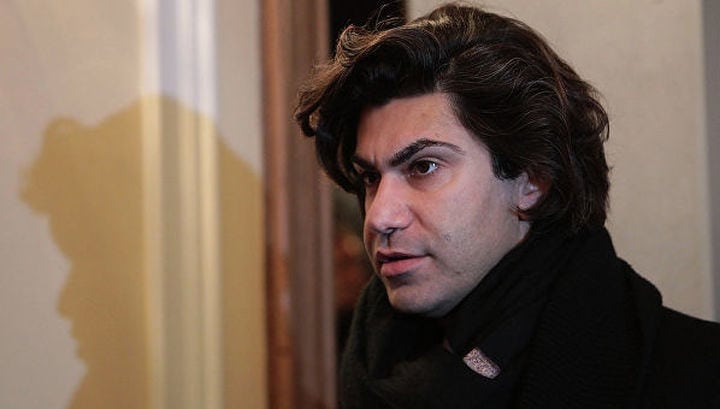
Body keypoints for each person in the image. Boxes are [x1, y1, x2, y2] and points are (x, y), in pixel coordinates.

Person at [294, 3, 720, 408]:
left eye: (424, 167)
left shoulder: (698, 375)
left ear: (532, 179)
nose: (379, 216)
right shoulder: (372, 369)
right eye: (371, 177)